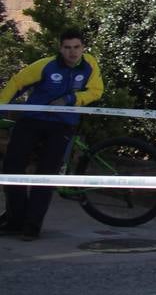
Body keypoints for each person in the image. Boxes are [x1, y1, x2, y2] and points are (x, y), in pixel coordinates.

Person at [1, 30, 104, 240]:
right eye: (67, 48)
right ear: (60, 48)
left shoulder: (90, 65)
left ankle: (32, 226)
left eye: (76, 47)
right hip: (33, 120)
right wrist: (1, 107)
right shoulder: (45, 65)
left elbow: (96, 91)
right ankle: (15, 220)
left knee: (46, 175)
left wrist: (71, 99)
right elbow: (16, 83)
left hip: (62, 125)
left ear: (83, 48)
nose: (72, 52)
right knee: (12, 167)